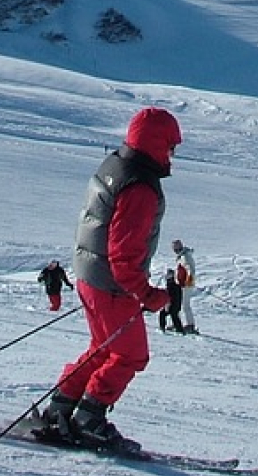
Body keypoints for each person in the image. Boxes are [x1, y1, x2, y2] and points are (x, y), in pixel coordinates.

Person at [40, 106, 183, 452]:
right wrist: (146, 294)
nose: (173, 155)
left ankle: (60, 408)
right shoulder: (140, 187)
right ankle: (89, 419)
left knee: (103, 350)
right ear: (158, 144)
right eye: (171, 146)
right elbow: (123, 252)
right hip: (111, 282)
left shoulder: (116, 164)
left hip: (90, 272)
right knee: (131, 354)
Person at [172, 238, 199, 334]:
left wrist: (189, 280)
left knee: (185, 304)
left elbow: (190, 268)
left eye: (176, 247)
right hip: (183, 284)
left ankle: (190, 325)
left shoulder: (185, 256)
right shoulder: (181, 256)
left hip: (186, 285)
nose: (175, 250)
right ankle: (180, 323)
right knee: (180, 304)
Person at [157, 268, 184, 333]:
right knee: (174, 316)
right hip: (177, 305)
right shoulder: (176, 285)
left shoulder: (170, 285)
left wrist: (167, 305)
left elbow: (169, 297)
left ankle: (162, 328)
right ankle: (179, 329)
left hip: (172, 305)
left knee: (163, 314)